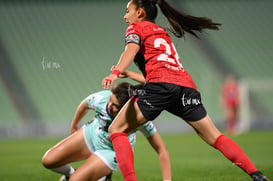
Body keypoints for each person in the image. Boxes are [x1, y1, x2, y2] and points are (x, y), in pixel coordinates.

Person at [101, 0, 270, 181]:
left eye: (128, 11)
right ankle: (257, 175)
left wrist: (116, 72)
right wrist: (130, 74)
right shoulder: (162, 34)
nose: (125, 16)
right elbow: (161, 76)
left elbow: (130, 51)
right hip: (185, 88)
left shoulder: (137, 28)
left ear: (140, 13)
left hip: (160, 88)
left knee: (116, 130)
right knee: (215, 137)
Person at [42, 82, 171, 181]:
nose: (109, 105)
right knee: (48, 161)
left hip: (111, 151)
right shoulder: (102, 99)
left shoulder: (138, 118)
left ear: (126, 108)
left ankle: (102, 174)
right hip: (92, 134)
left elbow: (161, 149)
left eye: (115, 105)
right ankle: (71, 173)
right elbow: (84, 104)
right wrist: (74, 126)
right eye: (111, 100)